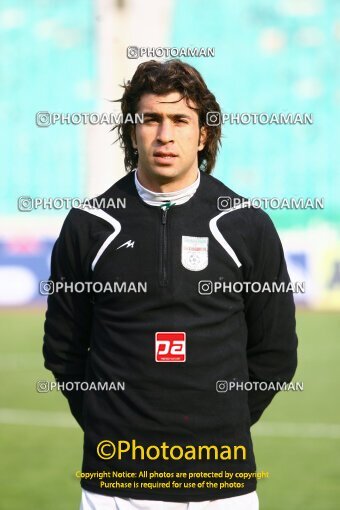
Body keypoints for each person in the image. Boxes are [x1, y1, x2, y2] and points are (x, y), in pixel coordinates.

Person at [43, 59, 298, 510]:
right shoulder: (89, 226)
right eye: (151, 119)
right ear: (131, 130)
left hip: (222, 486)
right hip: (114, 486)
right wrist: (112, 427)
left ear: (202, 134)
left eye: (180, 119)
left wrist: (224, 425)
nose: (165, 134)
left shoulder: (247, 225)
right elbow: (63, 352)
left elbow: (275, 355)